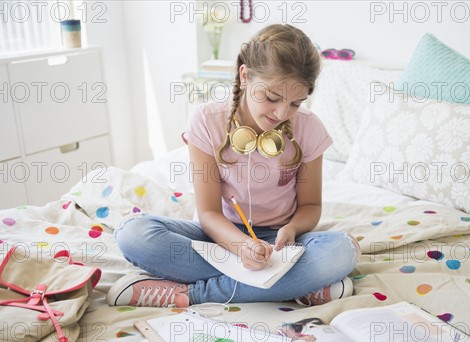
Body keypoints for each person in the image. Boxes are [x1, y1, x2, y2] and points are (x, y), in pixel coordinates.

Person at [106, 24, 360, 309]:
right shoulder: (206, 119)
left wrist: (292, 228)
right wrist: (240, 247)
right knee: (133, 234)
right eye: (272, 98)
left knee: (343, 251)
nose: (281, 113)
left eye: (295, 103)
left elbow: (311, 206)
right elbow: (209, 212)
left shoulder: (309, 128)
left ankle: (193, 295)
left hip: (282, 243)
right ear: (245, 76)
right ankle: (293, 284)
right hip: (220, 236)